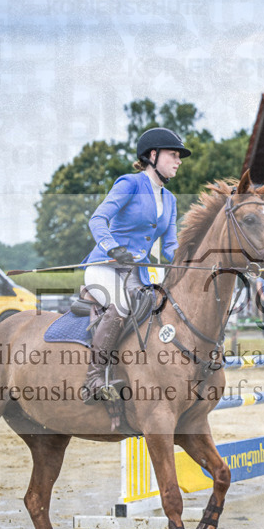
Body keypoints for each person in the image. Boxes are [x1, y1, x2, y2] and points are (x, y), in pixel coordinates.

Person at [80, 127, 190, 407]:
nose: (178, 161)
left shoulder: (170, 199)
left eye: (180, 157)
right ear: (152, 155)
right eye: (173, 155)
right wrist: (112, 248)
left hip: (137, 274)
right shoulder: (129, 183)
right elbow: (97, 219)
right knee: (123, 304)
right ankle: (93, 380)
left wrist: (187, 265)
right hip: (106, 267)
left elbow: (169, 246)